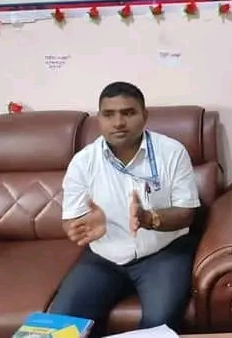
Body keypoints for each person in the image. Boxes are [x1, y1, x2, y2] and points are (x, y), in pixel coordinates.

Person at [49, 82, 201, 337]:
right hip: (103, 257)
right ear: (99, 119)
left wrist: (148, 219)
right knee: (60, 324)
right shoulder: (83, 162)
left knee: (159, 324)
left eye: (128, 113)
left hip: (163, 253)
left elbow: (187, 214)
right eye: (109, 114)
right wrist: (81, 225)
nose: (118, 122)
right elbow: (71, 220)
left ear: (145, 115)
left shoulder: (172, 152)